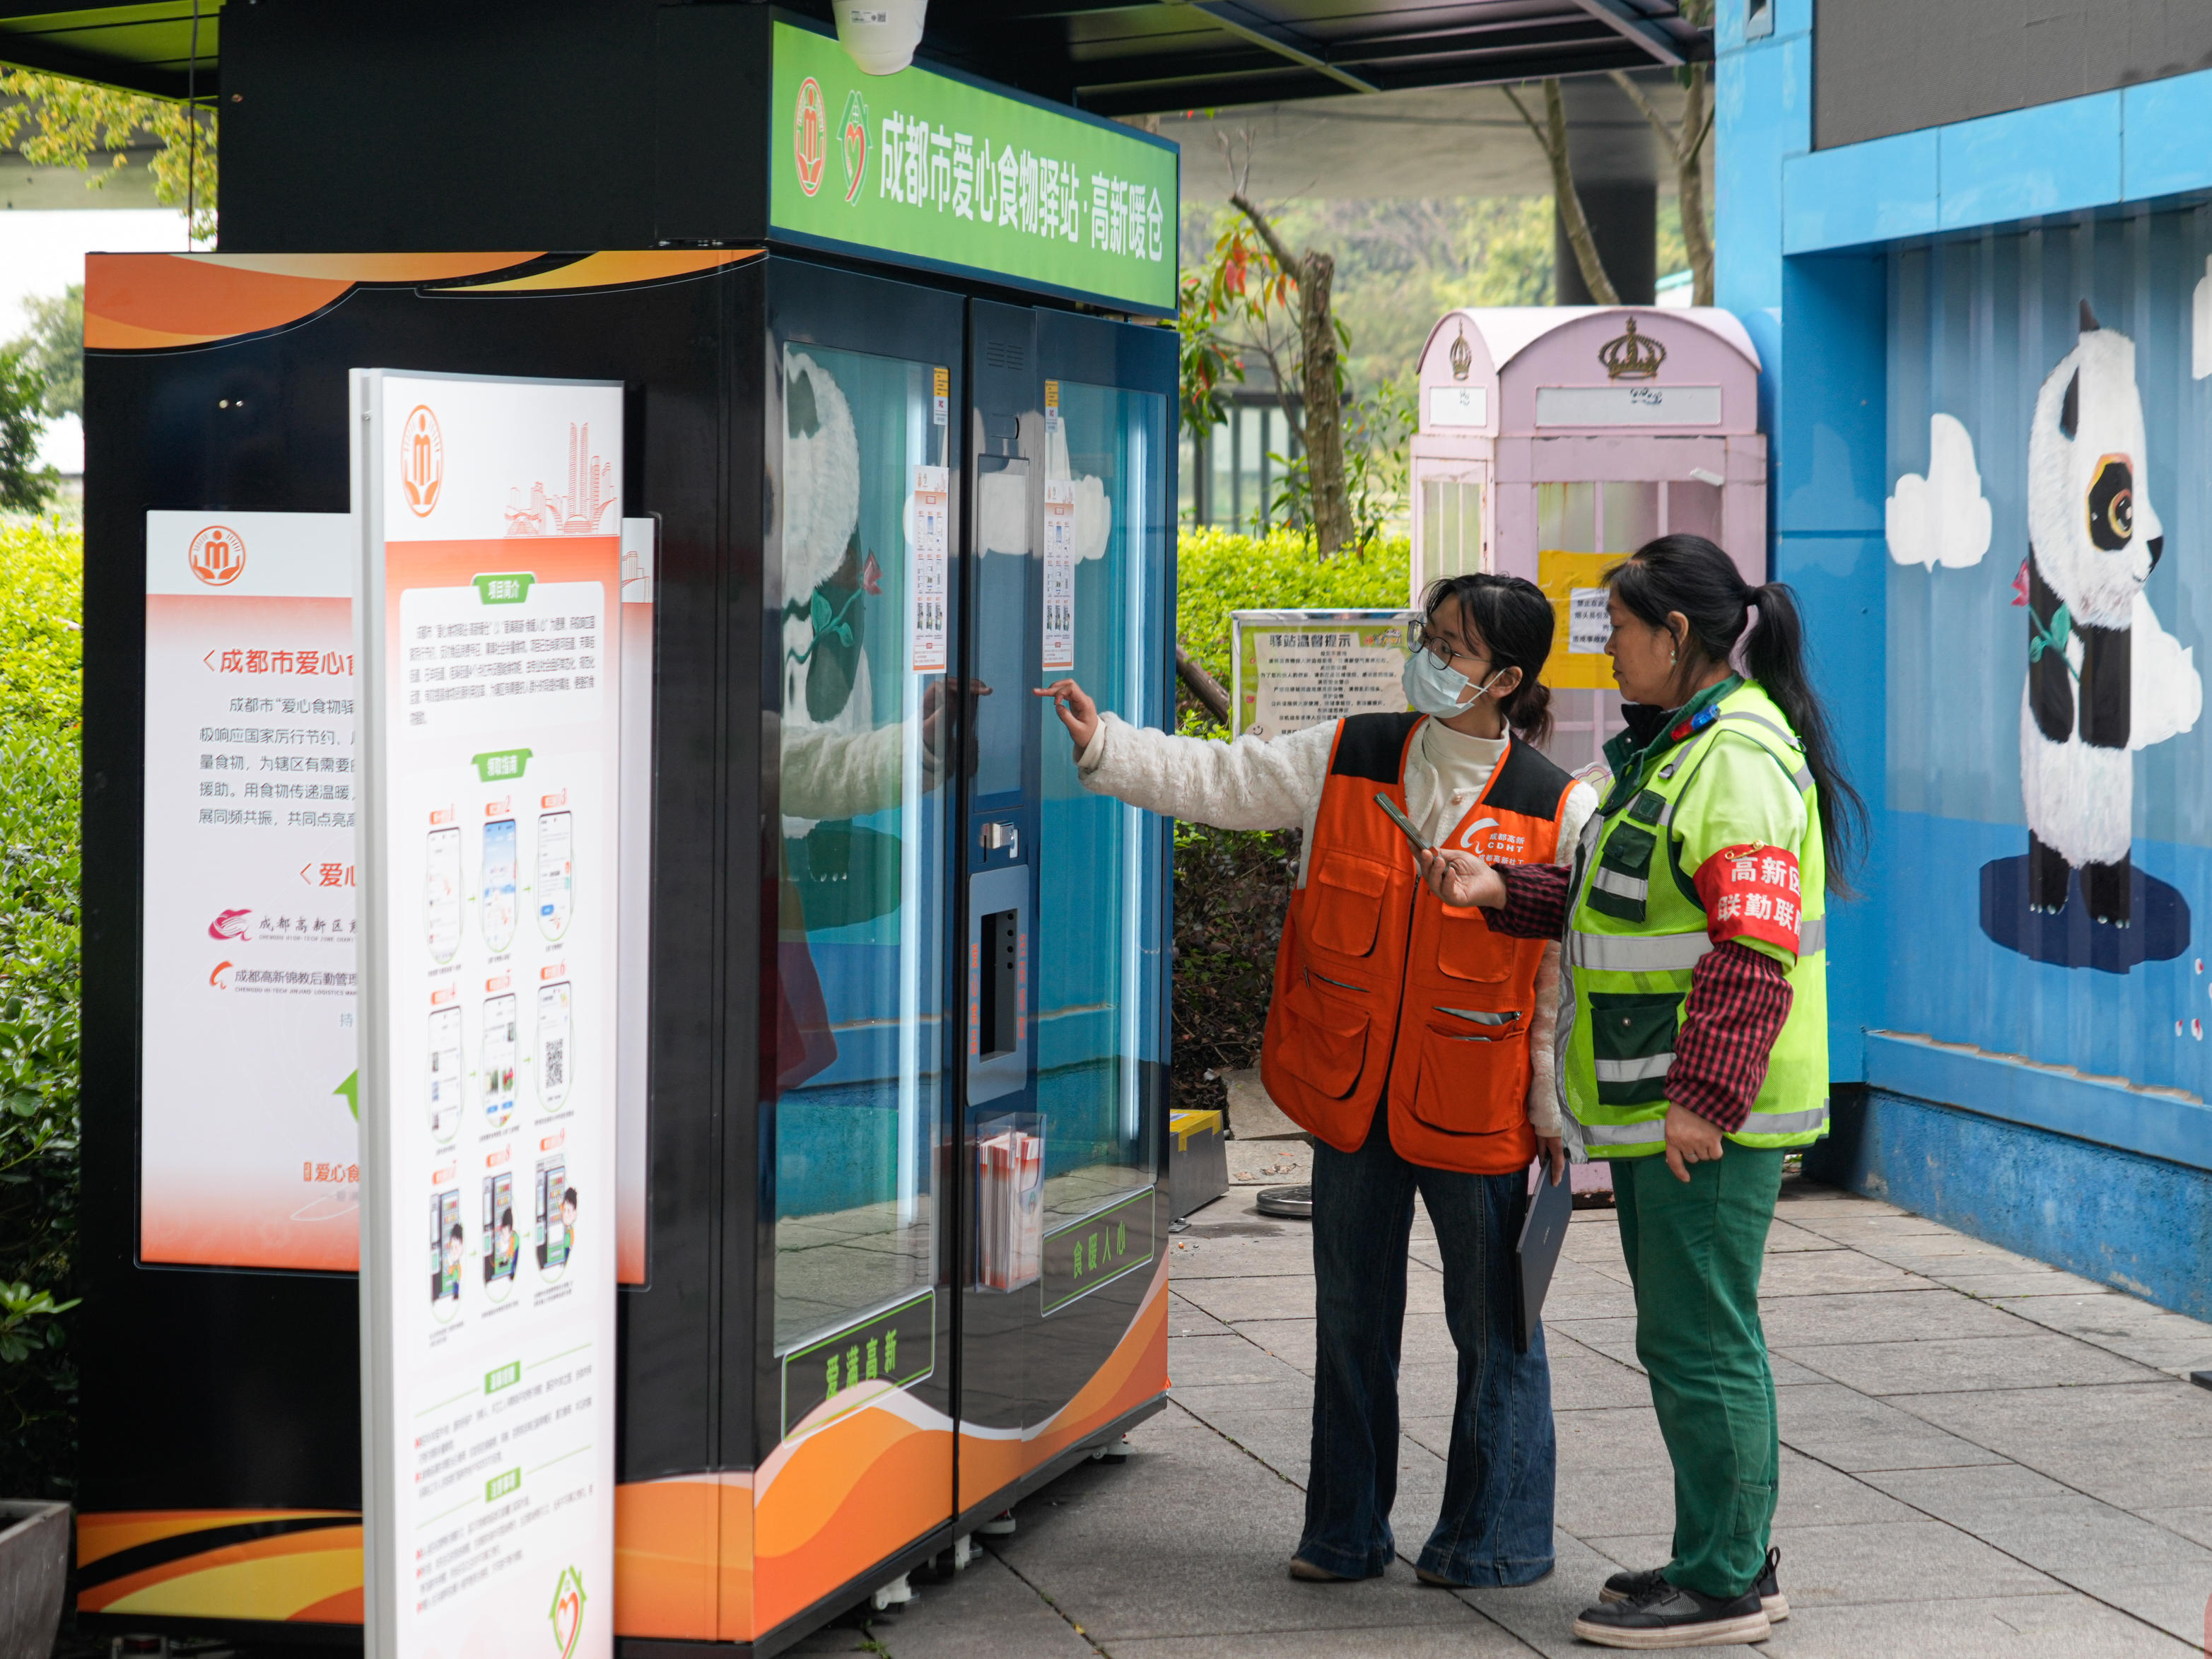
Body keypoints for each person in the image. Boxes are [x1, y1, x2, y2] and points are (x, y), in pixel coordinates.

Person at [1037, 574, 1595, 1589]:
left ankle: (1494, 1541)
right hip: (1351, 1099)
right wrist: (1105, 743)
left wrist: (1550, 1111)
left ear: (1506, 679)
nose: (1430, 658)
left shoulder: (1558, 804)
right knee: (1349, 1323)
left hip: (1475, 1111)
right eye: (1428, 636)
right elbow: (1225, 778)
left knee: (1496, 1333)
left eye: (1455, 647)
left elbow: (1562, 980)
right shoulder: (1350, 752)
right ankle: (1344, 1533)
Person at [1417, 534, 1861, 1649]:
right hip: (1670, 1108)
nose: (1603, 647)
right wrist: (1498, 888)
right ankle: (1726, 1551)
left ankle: (1723, 1583)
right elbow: (1617, 899)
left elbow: (1750, 947)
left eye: (1616, 627)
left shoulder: (1734, 760)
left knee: (1700, 1341)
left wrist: (1702, 1100)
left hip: (1704, 1119)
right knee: (1688, 1337)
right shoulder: (1678, 747)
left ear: (1674, 634)